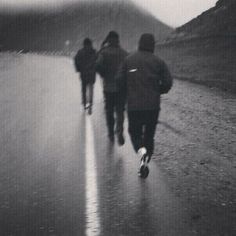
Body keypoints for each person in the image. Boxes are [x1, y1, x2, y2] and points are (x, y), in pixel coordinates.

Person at [116, 33, 173, 178]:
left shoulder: (128, 59)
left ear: (139, 43)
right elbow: (168, 82)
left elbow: (119, 80)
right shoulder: (159, 62)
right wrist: (158, 91)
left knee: (134, 132)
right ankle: (145, 159)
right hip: (152, 107)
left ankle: (141, 151)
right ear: (153, 44)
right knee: (149, 135)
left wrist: (127, 91)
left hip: (134, 106)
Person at [96, 31, 128, 145]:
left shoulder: (104, 52)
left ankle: (110, 133)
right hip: (121, 88)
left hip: (108, 87)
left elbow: (97, 65)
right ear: (118, 40)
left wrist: (103, 74)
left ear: (108, 40)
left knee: (109, 111)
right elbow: (129, 68)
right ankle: (119, 130)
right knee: (120, 110)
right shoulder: (124, 53)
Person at [74, 38, 97, 114]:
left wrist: (78, 69)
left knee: (83, 88)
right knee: (91, 88)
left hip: (84, 73)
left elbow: (76, 60)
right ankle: (90, 103)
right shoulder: (94, 52)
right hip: (91, 73)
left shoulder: (80, 52)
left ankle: (84, 103)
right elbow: (97, 61)